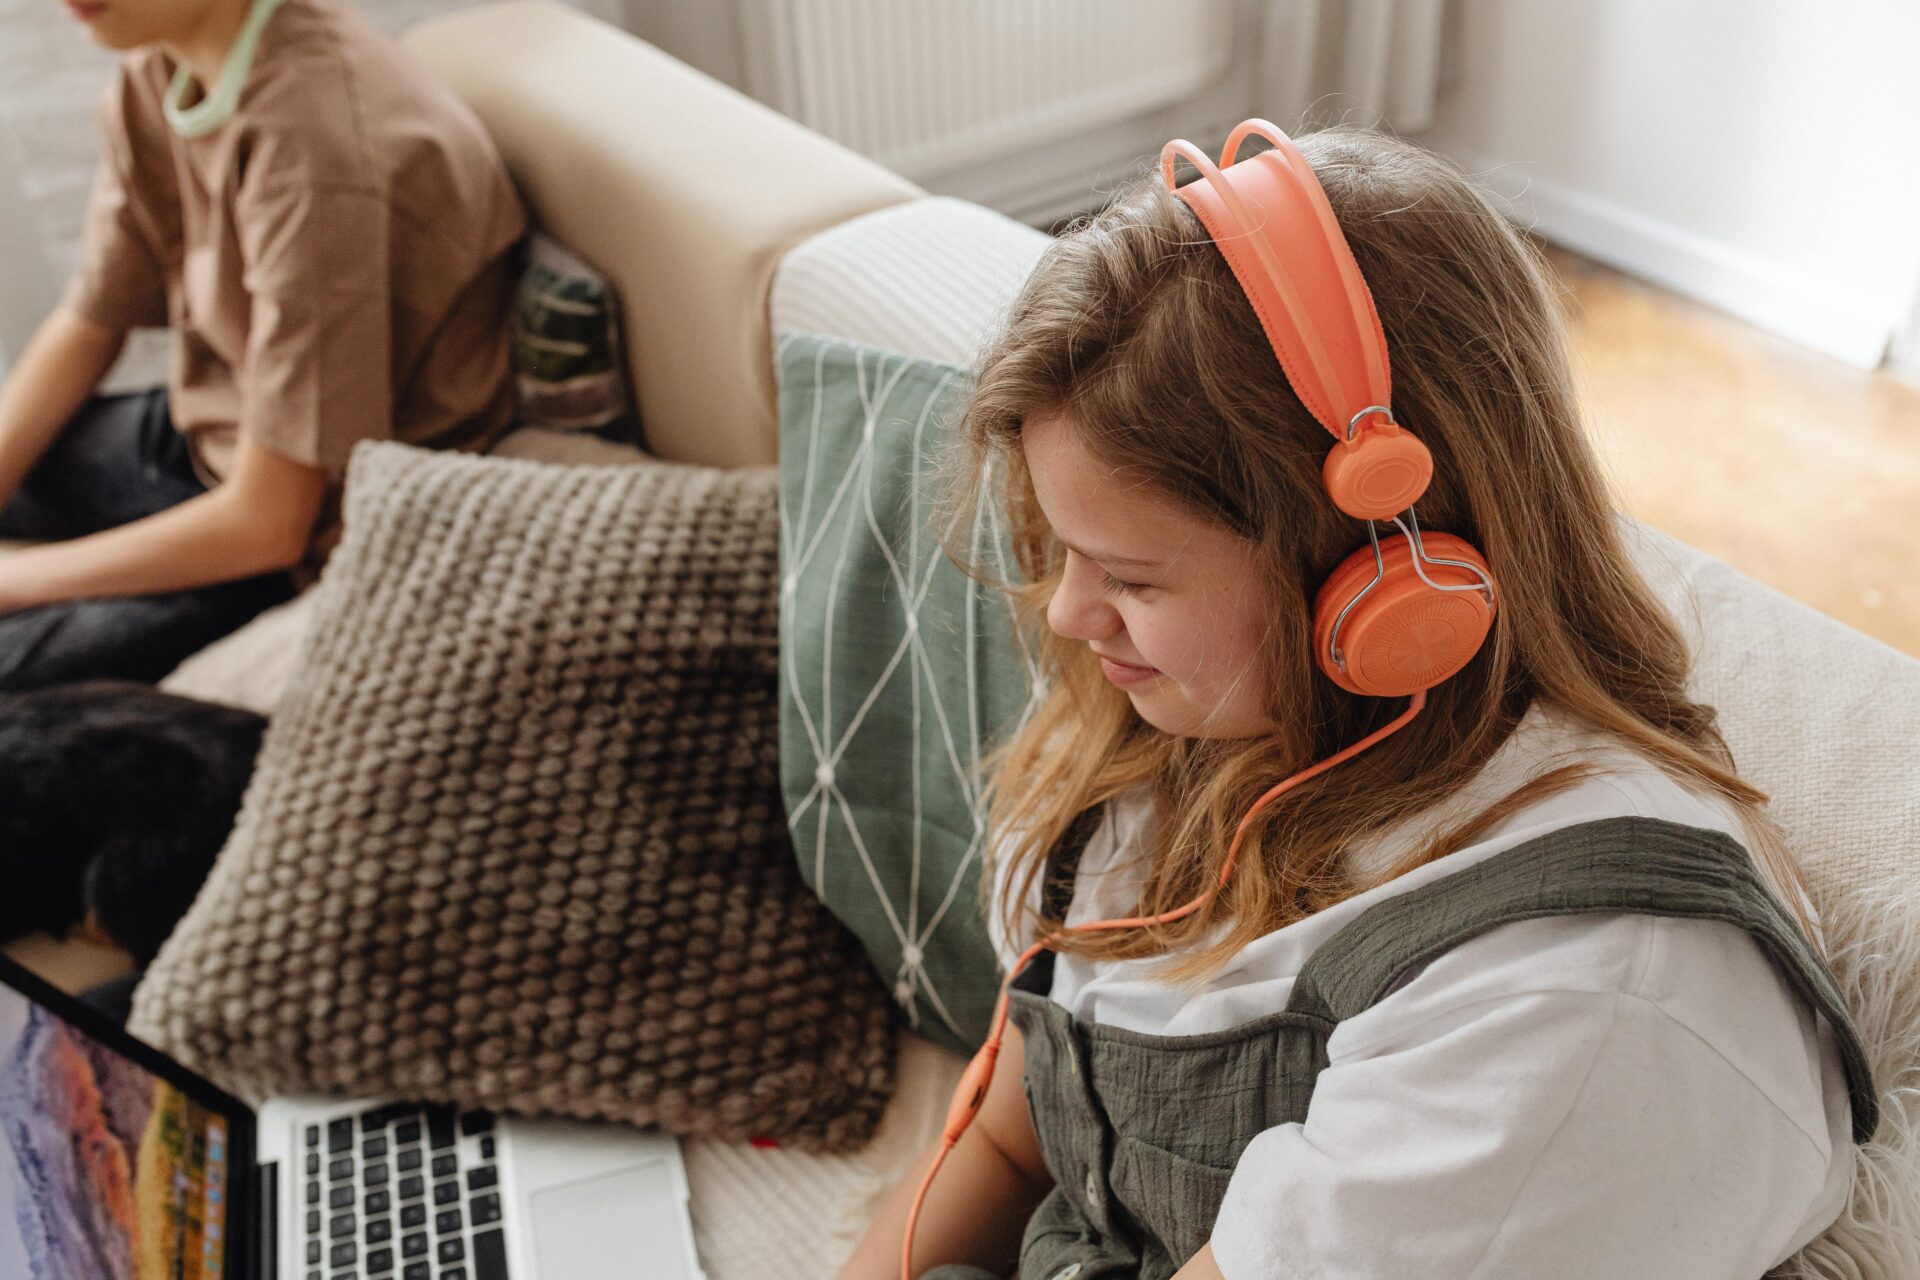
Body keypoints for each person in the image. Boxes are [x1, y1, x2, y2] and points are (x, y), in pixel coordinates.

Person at [839, 123, 1876, 1280]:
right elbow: (1010, 1132)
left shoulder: (1582, 995)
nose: (1071, 616)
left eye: (1130, 577)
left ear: (1383, 566)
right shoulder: (1211, 729)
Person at [0, 0, 525, 689]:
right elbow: (90, 320)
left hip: (324, 517)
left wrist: (13, 582)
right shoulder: (160, 66)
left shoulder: (315, 142)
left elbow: (270, 522)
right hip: (222, 435)